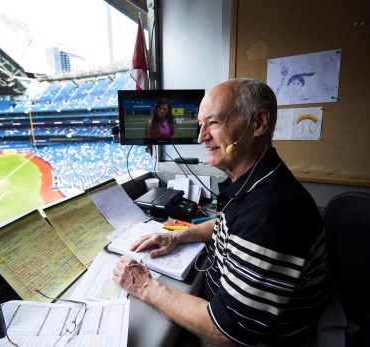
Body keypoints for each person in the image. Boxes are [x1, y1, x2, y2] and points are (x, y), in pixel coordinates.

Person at [113, 78, 329, 346]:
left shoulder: (271, 212)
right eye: (201, 124)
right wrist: (178, 237)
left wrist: (144, 286)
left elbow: (228, 332)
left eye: (214, 123)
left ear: (259, 123)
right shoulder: (254, 182)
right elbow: (227, 224)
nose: (201, 136)